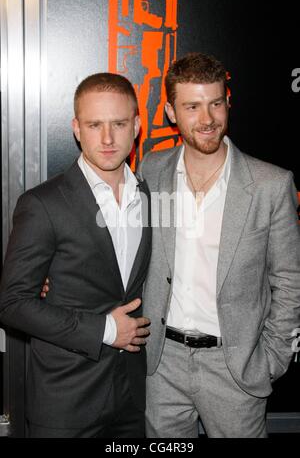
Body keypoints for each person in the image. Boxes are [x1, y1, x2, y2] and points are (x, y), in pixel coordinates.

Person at [138, 52, 300, 438]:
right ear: (171, 112)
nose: (207, 119)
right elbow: (124, 250)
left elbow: (290, 280)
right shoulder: (151, 169)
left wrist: (270, 360)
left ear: (228, 102)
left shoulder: (270, 184)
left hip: (236, 367)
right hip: (162, 365)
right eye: (192, 106)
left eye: (215, 103)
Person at [0, 73, 152, 438]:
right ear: (76, 128)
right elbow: (12, 304)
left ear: (136, 125)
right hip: (66, 402)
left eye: (118, 124)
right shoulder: (43, 204)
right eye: (94, 124)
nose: (107, 138)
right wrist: (105, 329)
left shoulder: (147, 194)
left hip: (132, 400)